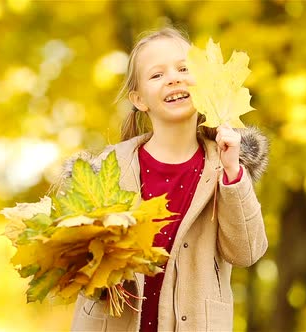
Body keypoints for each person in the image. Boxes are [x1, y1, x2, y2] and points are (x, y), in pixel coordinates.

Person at [68, 27, 269, 331]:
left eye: (184, 68)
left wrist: (233, 174)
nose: (174, 78)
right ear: (139, 99)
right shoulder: (108, 170)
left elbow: (247, 251)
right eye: (157, 75)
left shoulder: (224, 167)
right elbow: (74, 261)